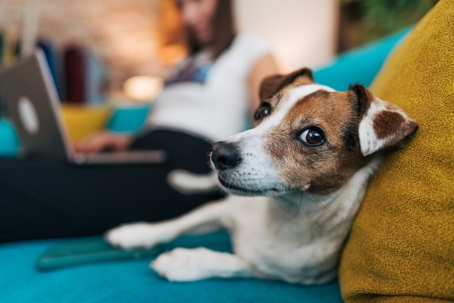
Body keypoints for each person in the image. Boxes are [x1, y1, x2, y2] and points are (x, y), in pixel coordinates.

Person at [0, 0, 278, 243]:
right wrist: (123, 140)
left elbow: (273, 120)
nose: (188, 16)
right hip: (146, 152)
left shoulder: (251, 47)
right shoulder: (181, 63)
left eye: (198, 1)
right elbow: (163, 121)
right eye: (181, 6)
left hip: (191, 166)